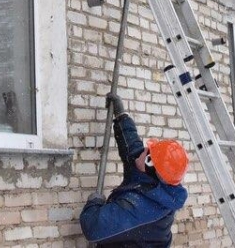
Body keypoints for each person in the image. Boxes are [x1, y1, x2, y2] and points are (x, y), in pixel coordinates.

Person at [80, 92, 189, 246]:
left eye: (148, 151)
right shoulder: (155, 182)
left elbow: (93, 227)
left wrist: (94, 203)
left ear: (150, 163)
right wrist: (121, 115)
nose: (144, 149)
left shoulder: (140, 207)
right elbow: (132, 147)